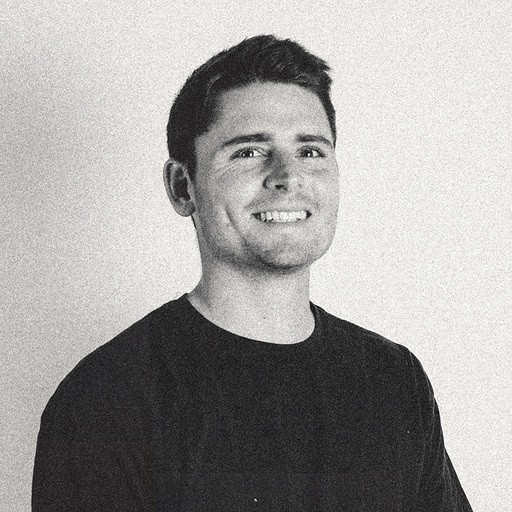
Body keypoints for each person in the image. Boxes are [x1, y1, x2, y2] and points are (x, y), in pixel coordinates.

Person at [32, 35, 473, 511]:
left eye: (310, 151)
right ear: (182, 187)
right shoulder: (108, 400)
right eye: (248, 152)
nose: (287, 176)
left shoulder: (393, 380)